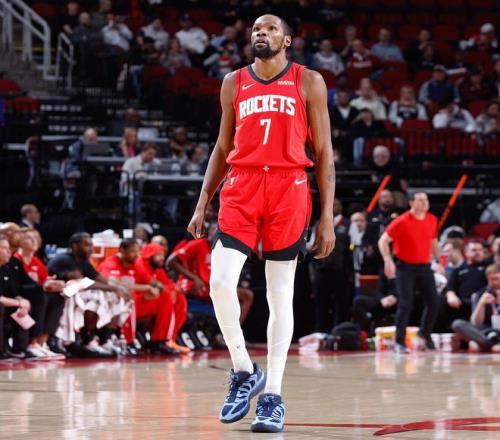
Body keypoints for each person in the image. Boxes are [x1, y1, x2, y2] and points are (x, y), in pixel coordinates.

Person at [187, 15, 335, 433]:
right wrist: (202, 202)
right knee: (220, 283)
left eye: (270, 29)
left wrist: (327, 217)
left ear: (286, 40)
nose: (261, 33)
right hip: (242, 186)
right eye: (256, 29)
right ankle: (243, 370)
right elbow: (222, 146)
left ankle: (273, 396)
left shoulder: (309, 81)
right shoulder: (233, 82)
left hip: (289, 188)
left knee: (279, 295)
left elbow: (324, 151)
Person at [378, 192, 442, 353]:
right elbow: (383, 240)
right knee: (405, 304)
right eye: (420, 200)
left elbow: (433, 241)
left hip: (425, 266)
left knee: (434, 302)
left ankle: (424, 333)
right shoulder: (402, 220)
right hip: (405, 267)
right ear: (411, 203)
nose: (425, 203)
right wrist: (387, 260)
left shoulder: (432, 219)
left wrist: (439, 260)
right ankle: (399, 342)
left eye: (426, 199)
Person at [47, 233, 129, 356]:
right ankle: (85, 339)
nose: (91, 249)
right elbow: (83, 282)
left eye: (91, 245)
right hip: (59, 295)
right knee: (97, 296)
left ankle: (105, 338)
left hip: (73, 296)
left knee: (113, 297)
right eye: (87, 245)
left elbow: (102, 280)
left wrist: (121, 289)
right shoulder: (64, 259)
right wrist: (114, 288)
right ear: (75, 246)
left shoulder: (84, 262)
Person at [168, 224, 254, 325]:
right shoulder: (197, 244)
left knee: (247, 295)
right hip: (195, 284)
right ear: (208, 232)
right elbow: (171, 261)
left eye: (218, 231)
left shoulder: (223, 251)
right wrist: (194, 278)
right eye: (213, 230)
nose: (214, 232)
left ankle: (233, 331)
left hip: (212, 287)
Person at [14, 229, 66, 359]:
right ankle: (32, 342)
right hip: (21, 294)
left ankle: (42, 342)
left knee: (58, 297)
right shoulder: (16, 260)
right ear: (20, 241)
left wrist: (55, 284)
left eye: (36, 238)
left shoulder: (37, 262)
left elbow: (45, 281)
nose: (34, 241)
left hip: (36, 293)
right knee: (41, 298)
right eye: (29, 238)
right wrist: (44, 286)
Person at [133, 242, 189, 354]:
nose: (162, 258)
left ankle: (170, 339)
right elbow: (153, 283)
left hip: (148, 301)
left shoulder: (157, 268)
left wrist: (173, 290)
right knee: (165, 297)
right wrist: (168, 291)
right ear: (149, 254)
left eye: (163, 254)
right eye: (158, 254)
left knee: (179, 298)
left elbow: (168, 284)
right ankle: (159, 340)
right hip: (135, 302)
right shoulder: (141, 264)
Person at [452, 263, 500, 353]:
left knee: (474, 346)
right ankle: (491, 345)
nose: (494, 282)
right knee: (457, 324)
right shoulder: (480, 294)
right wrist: (481, 304)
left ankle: (486, 345)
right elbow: (476, 323)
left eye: (497, 279)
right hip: (487, 331)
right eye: (491, 279)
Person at [0, 236, 32, 360]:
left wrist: (21, 301)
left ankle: (20, 349)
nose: (9, 251)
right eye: (4, 248)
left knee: (23, 307)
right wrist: (18, 303)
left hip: (4, 304)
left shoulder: (5, 268)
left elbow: (13, 291)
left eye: (9, 248)